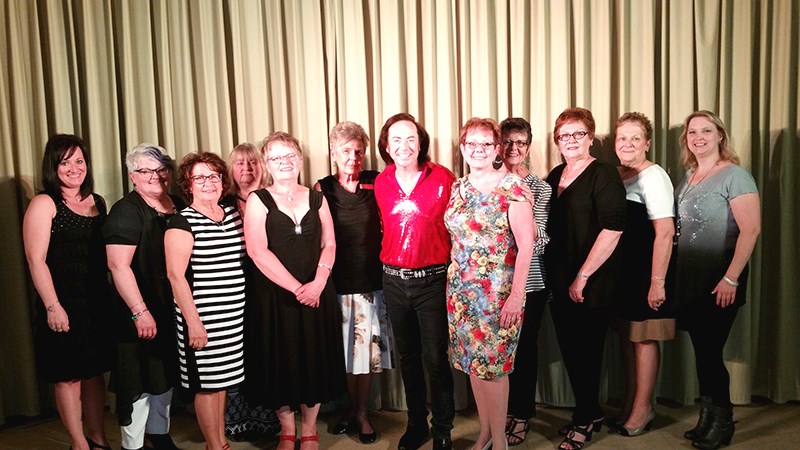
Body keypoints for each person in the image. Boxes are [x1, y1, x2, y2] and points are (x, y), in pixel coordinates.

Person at [243, 132, 345, 450]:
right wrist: (298, 288)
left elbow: (329, 242)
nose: (284, 163)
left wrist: (317, 283)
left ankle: (310, 429)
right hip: (276, 294)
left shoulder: (317, 198)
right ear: (267, 164)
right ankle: (288, 430)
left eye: (290, 156)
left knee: (314, 357)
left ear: (300, 160)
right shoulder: (258, 200)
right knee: (280, 359)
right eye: (276, 157)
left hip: (318, 290)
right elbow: (257, 251)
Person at [445, 118, 535, 450]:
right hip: (461, 294)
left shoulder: (512, 185)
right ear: (463, 148)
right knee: (473, 366)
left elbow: (527, 243)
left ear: (497, 149)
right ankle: (484, 432)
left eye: (486, 144)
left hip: (498, 294)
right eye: (472, 144)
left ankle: (500, 443)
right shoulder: (458, 187)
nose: (478, 150)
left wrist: (516, 295)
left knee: (494, 369)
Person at [672, 110, 760, 450]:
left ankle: (722, 422)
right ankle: (707, 416)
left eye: (706, 131)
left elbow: (751, 229)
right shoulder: (690, 175)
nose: (699, 137)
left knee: (710, 352)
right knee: (702, 352)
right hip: (690, 281)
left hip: (721, 279)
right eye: (692, 132)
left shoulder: (735, 176)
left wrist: (731, 279)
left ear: (720, 135)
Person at [22, 134, 114, 450]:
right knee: (69, 376)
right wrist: (52, 305)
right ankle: (79, 443)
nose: (74, 168)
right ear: (53, 166)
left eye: (79, 161)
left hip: (96, 300)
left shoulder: (97, 202)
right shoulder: (44, 203)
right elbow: (35, 261)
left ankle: (98, 437)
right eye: (65, 162)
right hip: (62, 301)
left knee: (94, 374)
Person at [545, 108, 626, 450]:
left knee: (587, 352)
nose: (572, 141)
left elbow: (614, 226)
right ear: (557, 142)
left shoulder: (603, 174)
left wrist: (582, 276)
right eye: (565, 135)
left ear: (590, 138)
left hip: (591, 281)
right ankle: (590, 412)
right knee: (570, 351)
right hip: (559, 279)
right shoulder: (555, 175)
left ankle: (583, 422)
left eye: (578, 134)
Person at [374, 113, 456, 450]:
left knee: (435, 358)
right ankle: (416, 424)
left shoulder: (443, 178)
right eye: (396, 140)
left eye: (410, 138)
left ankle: (442, 429)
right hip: (393, 281)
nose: (404, 146)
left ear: (420, 142)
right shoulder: (381, 182)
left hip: (432, 281)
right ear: (387, 147)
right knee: (407, 358)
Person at [315, 121, 394, 444]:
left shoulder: (376, 181)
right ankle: (354, 409)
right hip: (338, 281)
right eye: (346, 151)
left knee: (367, 356)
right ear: (334, 153)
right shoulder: (322, 188)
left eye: (359, 151)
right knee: (349, 356)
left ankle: (361, 412)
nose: (353, 157)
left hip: (373, 279)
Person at [104, 144, 184, 450]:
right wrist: (140, 311)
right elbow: (117, 265)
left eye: (162, 169)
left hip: (168, 310)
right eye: (146, 170)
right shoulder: (126, 210)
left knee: (162, 376)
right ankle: (133, 444)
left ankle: (158, 435)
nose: (155, 176)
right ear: (132, 175)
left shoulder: (175, 203)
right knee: (136, 382)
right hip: (138, 314)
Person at [165, 152, 247, 450]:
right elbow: (176, 276)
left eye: (213, 176)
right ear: (188, 185)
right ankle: (215, 446)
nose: (208, 183)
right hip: (203, 318)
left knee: (222, 384)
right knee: (207, 387)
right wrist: (194, 323)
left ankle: (221, 442)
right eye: (199, 178)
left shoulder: (233, 214)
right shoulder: (181, 222)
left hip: (232, 318)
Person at [608, 113, 675, 437]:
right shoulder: (617, 175)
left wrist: (657, 282)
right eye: (622, 138)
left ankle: (644, 408)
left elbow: (665, 232)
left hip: (645, 272)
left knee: (644, 338)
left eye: (636, 138)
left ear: (647, 143)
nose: (628, 144)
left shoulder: (654, 175)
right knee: (627, 337)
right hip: (622, 274)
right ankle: (631, 403)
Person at [498, 118, 552, 447]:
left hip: (530, 282)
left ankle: (521, 413)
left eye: (520, 142)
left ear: (528, 146)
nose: (513, 148)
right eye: (507, 142)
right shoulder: (489, 182)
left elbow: (541, 239)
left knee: (524, 350)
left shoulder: (541, 188)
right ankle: (500, 409)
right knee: (498, 350)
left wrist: (527, 211)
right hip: (493, 282)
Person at [222, 144, 280, 442]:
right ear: (231, 169)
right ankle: (237, 418)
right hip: (232, 287)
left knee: (266, 350)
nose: (246, 168)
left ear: (262, 165)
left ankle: (266, 416)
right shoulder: (222, 202)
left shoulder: (275, 197)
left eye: (252, 162)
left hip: (269, 285)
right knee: (236, 352)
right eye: (239, 163)